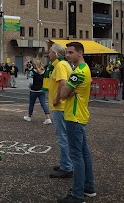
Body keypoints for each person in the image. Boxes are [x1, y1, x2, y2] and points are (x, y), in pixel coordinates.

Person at [57, 42, 96, 203]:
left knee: (76, 155)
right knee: (84, 153)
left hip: (74, 116)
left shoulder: (77, 73)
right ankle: (88, 187)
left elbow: (63, 93)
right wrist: (69, 90)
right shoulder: (84, 69)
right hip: (80, 115)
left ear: (80, 53)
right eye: (66, 53)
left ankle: (77, 194)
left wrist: (66, 87)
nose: (67, 55)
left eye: (71, 52)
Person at [48, 43, 74, 179]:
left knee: (62, 137)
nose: (48, 54)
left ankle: (67, 167)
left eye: (50, 52)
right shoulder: (62, 65)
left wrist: (57, 99)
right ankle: (66, 162)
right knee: (65, 136)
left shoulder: (60, 66)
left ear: (56, 54)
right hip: (62, 106)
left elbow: (62, 83)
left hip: (60, 106)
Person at [23, 59, 52, 124]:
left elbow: (30, 82)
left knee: (31, 104)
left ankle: (29, 116)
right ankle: (48, 118)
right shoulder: (44, 72)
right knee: (43, 103)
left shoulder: (32, 72)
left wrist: (29, 87)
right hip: (42, 89)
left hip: (34, 90)